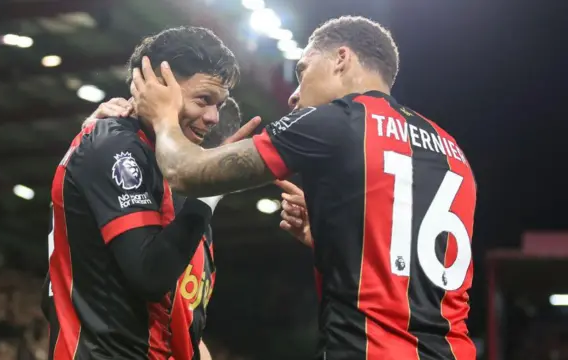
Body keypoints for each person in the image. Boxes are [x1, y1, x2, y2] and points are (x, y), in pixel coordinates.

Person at [130, 16, 477, 360]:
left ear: (341, 59)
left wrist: (162, 114)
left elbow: (183, 170)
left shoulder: (338, 120)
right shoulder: (452, 151)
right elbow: (409, 259)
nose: (294, 95)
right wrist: (335, 238)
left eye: (303, 71)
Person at [44, 26, 252, 360]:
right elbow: (149, 274)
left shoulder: (173, 173)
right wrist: (209, 195)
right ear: (156, 84)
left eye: (220, 105)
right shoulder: (115, 145)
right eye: (204, 100)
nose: (214, 117)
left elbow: (177, 314)